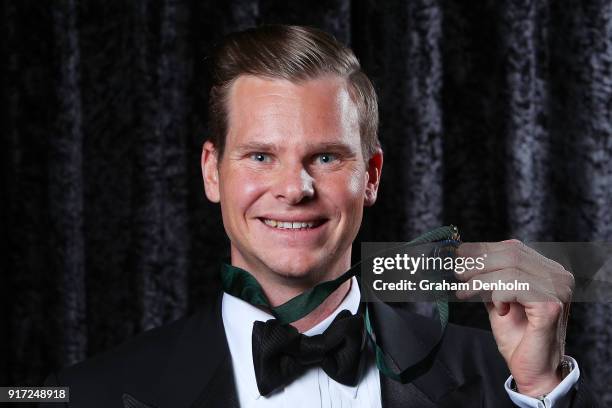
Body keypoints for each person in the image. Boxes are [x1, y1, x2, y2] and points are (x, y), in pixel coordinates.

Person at [43, 25, 595, 408]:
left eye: (326, 157)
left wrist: (540, 385)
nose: (295, 188)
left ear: (372, 175)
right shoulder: (86, 392)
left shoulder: (502, 381)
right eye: (261, 156)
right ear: (212, 172)